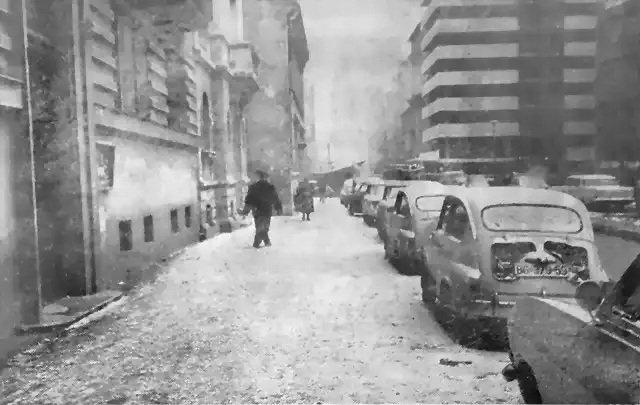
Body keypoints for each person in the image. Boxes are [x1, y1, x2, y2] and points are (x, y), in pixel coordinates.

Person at [239, 169, 282, 248]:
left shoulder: (253, 187)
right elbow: (275, 198)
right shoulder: (270, 187)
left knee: (259, 227)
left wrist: (245, 211)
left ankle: (257, 243)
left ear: (258, 177)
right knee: (264, 227)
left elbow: (249, 201)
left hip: (257, 211)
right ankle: (265, 242)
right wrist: (278, 208)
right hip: (267, 211)